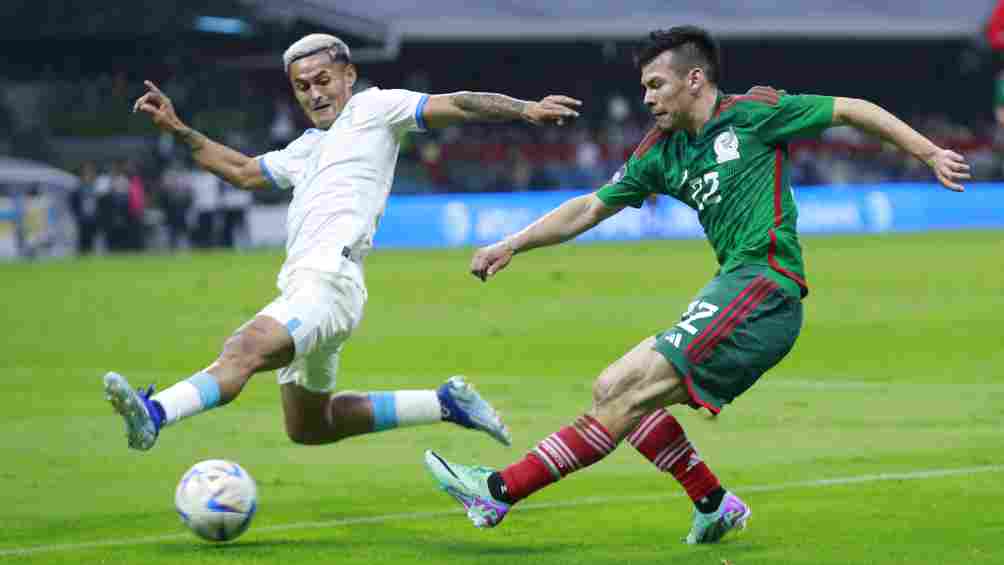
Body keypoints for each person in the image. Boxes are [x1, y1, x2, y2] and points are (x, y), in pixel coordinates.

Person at [423, 25, 970, 544]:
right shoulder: (659, 151)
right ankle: (712, 503)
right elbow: (590, 207)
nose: (647, 99)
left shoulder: (755, 115)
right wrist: (511, 243)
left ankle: (499, 492)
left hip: (766, 286)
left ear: (694, 80)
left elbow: (850, 109)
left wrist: (927, 153)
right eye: (643, 88)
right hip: (737, 288)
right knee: (611, 388)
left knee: (631, 394)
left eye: (655, 84)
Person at [103, 34, 581, 456]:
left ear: (348, 75)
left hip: (328, 283)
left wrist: (525, 109)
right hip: (309, 287)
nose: (314, 93)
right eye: (302, 86)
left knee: (244, 348)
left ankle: (157, 413)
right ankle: (443, 403)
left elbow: (457, 103)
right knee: (311, 427)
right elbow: (244, 172)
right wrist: (178, 129)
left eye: (323, 79)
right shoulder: (306, 149)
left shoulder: (373, 109)